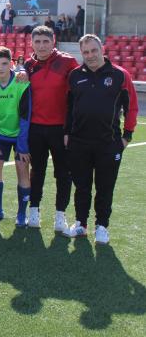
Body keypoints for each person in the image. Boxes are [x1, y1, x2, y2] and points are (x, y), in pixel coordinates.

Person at [63, 35, 138, 244]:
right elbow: (68, 108)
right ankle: (80, 224)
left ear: (101, 49)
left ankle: (102, 226)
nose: (90, 56)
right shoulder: (74, 76)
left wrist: (127, 136)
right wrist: (67, 133)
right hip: (79, 142)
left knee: (105, 187)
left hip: (108, 143)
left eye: (94, 50)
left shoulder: (120, 76)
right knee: (82, 186)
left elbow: (131, 107)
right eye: (85, 52)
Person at [24, 26, 79, 230]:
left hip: (61, 129)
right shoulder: (28, 65)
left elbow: (76, 97)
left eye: (45, 41)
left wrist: (70, 129)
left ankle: (60, 215)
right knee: (37, 172)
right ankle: (34, 210)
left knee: (63, 173)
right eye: (37, 42)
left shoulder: (67, 62)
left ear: (53, 41)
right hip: (36, 128)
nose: (41, 46)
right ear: (32, 43)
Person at [0, 47, 32, 226]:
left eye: (4, 63)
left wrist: (23, 146)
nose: (1, 67)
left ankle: (21, 215)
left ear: (11, 64)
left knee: (22, 171)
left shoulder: (21, 83)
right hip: (0, 135)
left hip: (21, 136)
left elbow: (26, 117)